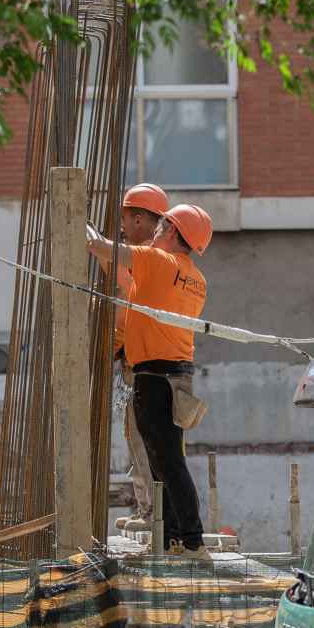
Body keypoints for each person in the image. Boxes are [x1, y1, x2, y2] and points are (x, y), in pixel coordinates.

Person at [86, 203, 212, 554]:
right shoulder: (197, 281)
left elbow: (103, 249)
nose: (155, 230)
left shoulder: (156, 261)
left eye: (162, 226)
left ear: (172, 231)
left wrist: (81, 225)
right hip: (178, 376)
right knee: (164, 461)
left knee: (168, 463)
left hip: (155, 376)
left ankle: (192, 543)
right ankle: (173, 539)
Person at [113, 183, 168, 531]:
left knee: (149, 440)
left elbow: (125, 308)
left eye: (124, 218)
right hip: (136, 360)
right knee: (137, 438)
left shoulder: (148, 259)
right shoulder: (141, 258)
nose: (120, 227)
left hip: (150, 365)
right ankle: (148, 509)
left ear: (137, 218)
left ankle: (154, 515)